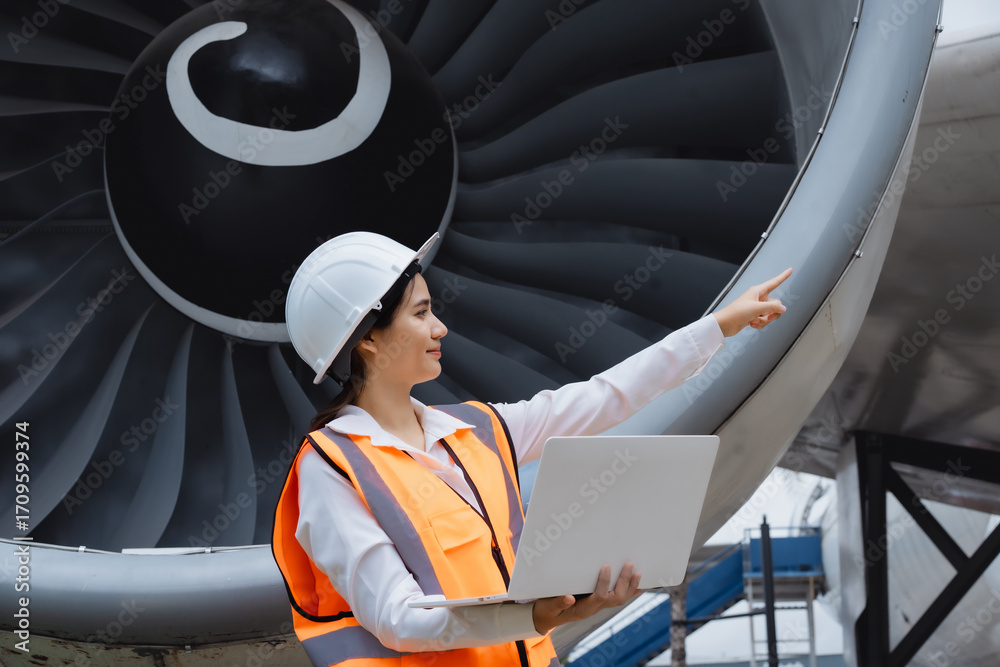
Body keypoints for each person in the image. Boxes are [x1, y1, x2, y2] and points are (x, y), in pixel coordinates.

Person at [272, 231, 792, 667]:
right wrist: (531, 615)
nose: (440, 327)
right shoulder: (331, 469)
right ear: (369, 339)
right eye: (421, 313)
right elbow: (396, 617)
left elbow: (605, 397)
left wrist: (723, 324)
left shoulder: (478, 427)